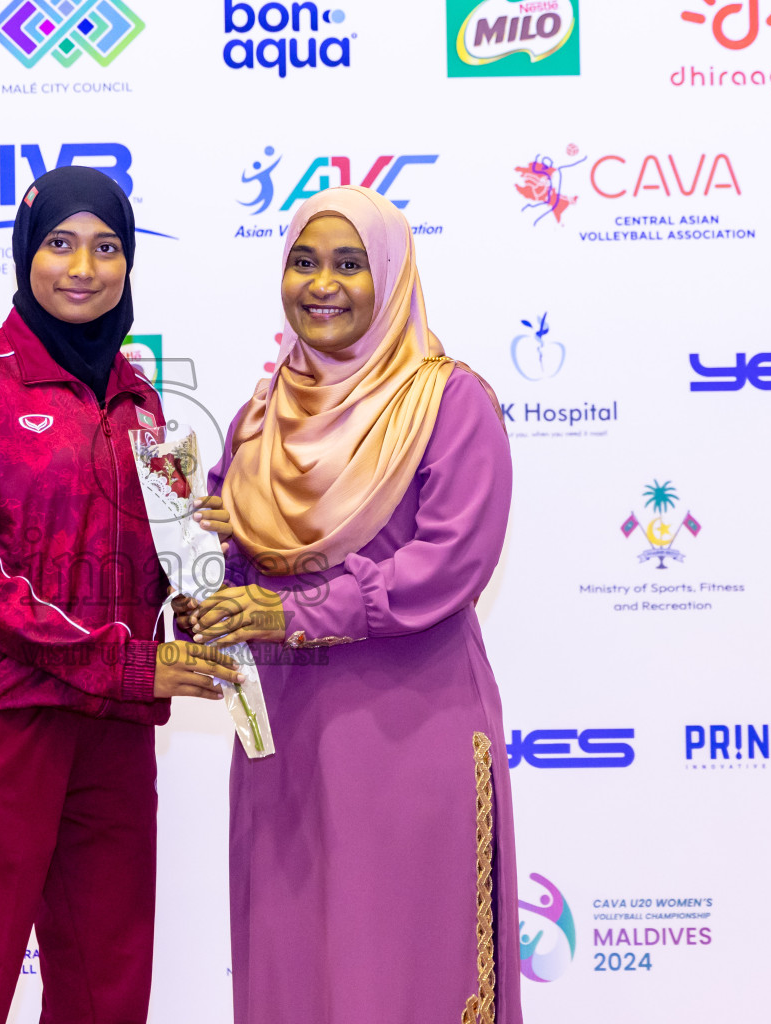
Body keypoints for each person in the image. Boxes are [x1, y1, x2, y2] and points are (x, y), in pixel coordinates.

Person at [0, 165, 239, 1024]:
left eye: (106, 246)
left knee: (106, 991)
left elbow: (149, 567)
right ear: (25, 255)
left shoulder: (143, 402)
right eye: (59, 243)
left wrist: (207, 559)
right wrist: (121, 664)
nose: (82, 266)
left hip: (112, 733)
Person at [183, 185, 521, 1024]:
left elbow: (449, 565)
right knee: (296, 969)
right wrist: (203, 561)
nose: (322, 285)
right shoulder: (259, 420)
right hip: (285, 739)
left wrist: (291, 614)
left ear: (393, 279)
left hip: (409, 732)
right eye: (303, 262)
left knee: (406, 970)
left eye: (348, 265)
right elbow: (229, 581)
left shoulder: (447, 404)